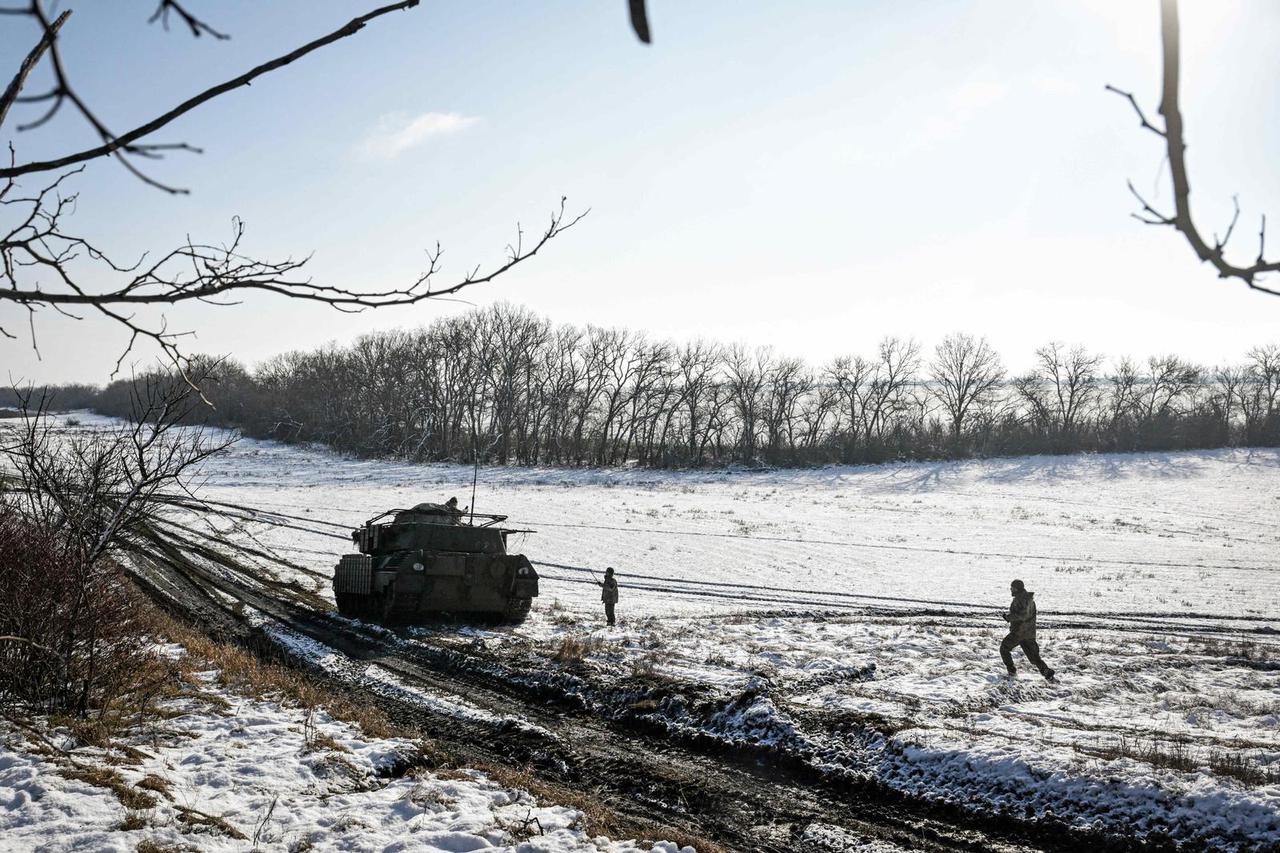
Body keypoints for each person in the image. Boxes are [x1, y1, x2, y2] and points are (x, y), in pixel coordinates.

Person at [1000, 579, 1055, 681]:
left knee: (1004, 648)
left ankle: (1012, 672)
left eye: (1012, 588)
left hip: (1019, 632)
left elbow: (1023, 615)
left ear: (1016, 588)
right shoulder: (1028, 599)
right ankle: (1047, 672)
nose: (1011, 589)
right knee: (1034, 657)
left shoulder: (1021, 599)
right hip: (1029, 633)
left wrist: (1009, 617)